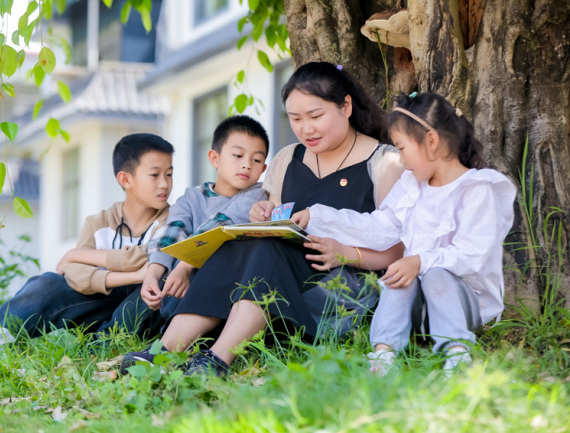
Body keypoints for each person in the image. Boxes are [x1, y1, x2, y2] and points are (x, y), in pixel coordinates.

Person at [120, 62, 405, 377]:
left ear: (346, 106)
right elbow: (274, 220)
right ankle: (162, 352)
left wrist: (346, 253)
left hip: (340, 289)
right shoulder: (287, 159)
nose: (305, 129)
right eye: (295, 119)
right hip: (280, 281)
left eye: (315, 116)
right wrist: (262, 213)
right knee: (239, 243)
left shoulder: (384, 162)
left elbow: (399, 249)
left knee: (268, 250)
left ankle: (215, 360)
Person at [292, 92, 516, 376]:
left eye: (401, 148)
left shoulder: (477, 188)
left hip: (461, 305)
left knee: (435, 274)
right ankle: (384, 354)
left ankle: (457, 352)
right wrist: (319, 216)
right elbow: (379, 227)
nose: (400, 158)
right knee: (398, 276)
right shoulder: (413, 184)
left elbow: (472, 253)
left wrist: (419, 261)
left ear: (431, 141)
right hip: (416, 307)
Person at [0, 133, 175, 355]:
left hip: (141, 308)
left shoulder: (174, 219)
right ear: (125, 179)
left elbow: (150, 255)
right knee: (47, 283)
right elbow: (74, 274)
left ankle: (99, 350)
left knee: (159, 280)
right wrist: (133, 276)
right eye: (155, 175)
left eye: (169, 174)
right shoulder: (98, 222)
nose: (164, 184)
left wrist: (76, 254)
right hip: (96, 306)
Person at [119, 115, 270, 374]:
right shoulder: (193, 196)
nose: (247, 165)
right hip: (176, 292)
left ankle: (176, 351)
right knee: (131, 308)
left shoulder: (257, 195)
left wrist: (184, 268)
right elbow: (171, 232)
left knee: (225, 250)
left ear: (263, 168)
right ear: (215, 158)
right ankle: (134, 344)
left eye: (256, 160)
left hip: (220, 295)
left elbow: (222, 227)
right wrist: (153, 274)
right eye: (238, 156)